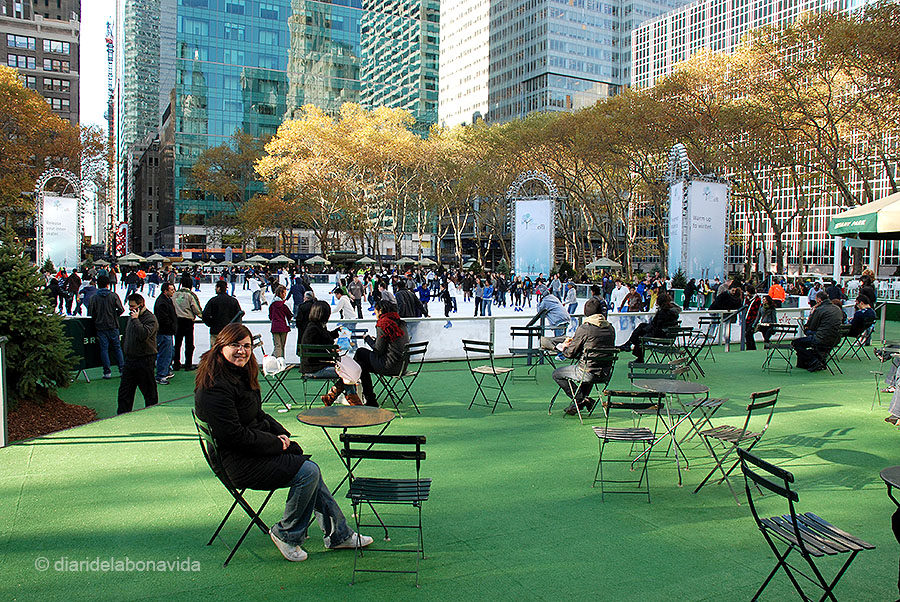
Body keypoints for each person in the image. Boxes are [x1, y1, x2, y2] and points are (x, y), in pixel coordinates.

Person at [193, 323, 372, 562]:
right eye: (235, 345)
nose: (242, 351)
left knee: (308, 469)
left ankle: (338, 534)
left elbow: (258, 415)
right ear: (221, 347)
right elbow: (233, 436)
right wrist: (276, 444)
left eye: (246, 346)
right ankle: (287, 533)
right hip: (236, 462)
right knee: (308, 472)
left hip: (246, 451)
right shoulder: (215, 387)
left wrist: (282, 435)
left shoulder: (238, 375)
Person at [550, 298, 616, 416]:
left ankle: (581, 400)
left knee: (557, 374)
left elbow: (570, 354)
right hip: (605, 372)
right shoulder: (610, 328)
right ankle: (579, 404)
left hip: (587, 371)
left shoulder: (585, 328)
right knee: (589, 371)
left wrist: (563, 347)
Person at [303, 302, 362, 406]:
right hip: (315, 368)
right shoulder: (315, 329)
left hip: (314, 366)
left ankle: (331, 398)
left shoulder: (315, 327)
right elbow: (316, 351)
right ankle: (354, 403)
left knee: (346, 374)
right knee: (346, 374)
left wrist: (335, 334)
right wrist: (333, 352)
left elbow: (324, 340)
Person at [354, 300, 409, 407]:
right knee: (362, 365)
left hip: (388, 365)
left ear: (380, 311)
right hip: (401, 366)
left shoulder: (383, 324)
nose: (374, 312)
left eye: (375, 310)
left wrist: (368, 339)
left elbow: (378, 350)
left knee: (360, 353)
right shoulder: (401, 323)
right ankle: (368, 398)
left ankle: (362, 394)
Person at [117, 293, 159, 414]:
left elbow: (143, 335)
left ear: (141, 305)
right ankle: (122, 415)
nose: (130, 308)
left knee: (149, 392)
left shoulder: (150, 318)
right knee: (124, 392)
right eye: (129, 306)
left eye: (133, 306)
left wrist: (135, 320)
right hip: (130, 360)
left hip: (145, 360)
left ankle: (152, 414)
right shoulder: (132, 317)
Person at [619, 293, 681, 363]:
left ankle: (631, 347)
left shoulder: (663, 313)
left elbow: (656, 328)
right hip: (666, 334)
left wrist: (646, 330)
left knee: (640, 334)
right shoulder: (672, 313)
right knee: (641, 327)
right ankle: (629, 344)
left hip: (661, 335)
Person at [792, 291, 843, 372]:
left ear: (819, 300)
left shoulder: (819, 310)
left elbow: (811, 327)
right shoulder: (837, 309)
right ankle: (819, 360)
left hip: (821, 338)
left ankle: (814, 360)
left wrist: (812, 314)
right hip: (835, 339)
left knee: (796, 343)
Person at [88, 275, 125, 379]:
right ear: (108, 284)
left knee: (104, 349)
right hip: (113, 325)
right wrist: (114, 315)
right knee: (117, 348)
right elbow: (121, 309)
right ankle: (122, 369)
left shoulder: (94, 297)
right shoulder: (113, 296)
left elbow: (91, 312)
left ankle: (107, 372)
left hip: (100, 326)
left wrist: (97, 317)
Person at [173, 274, 202, 371]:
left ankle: (176, 363)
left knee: (177, 344)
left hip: (177, 321)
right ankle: (188, 364)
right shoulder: (191, 295)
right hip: (188, 322)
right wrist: (203, 317)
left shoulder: (175, 294)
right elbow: (196, 309)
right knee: (189, 344)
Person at [202, 280, 243, 346]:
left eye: (216, 287)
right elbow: (239, 315)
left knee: (215, 352)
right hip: (229, 332)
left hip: (216, 330)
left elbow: (205, 315)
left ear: (219, 288)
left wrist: (211, 324)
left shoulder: (213, 301)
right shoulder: (233, 301)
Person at [153, 282, 178, 385]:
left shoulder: (166, 300)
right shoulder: (162, 303)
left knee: (168, 352)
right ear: (165, 291)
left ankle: (165, 371)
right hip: (164, 332)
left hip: (167, 331)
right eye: (171, 290)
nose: (173, 291)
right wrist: (171, 326)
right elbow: (163, 319)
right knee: (165, 354)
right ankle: (161, 375)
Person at [269, 285, 293, 358]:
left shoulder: (272, 305)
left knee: (277, 345)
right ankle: (279, 360)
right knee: (281, 346)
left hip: (275, 326)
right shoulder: (284, 305)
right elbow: (289, 315)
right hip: (283, 326)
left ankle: (275, 360)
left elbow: (270, 316)